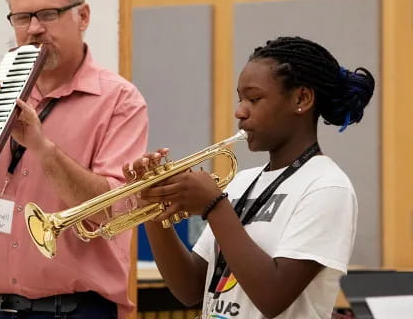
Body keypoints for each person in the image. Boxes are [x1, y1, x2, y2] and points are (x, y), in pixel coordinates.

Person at [0, 0, 148, 318]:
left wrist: (42, 148)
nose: (34, 29)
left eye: (48, 14)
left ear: (83, 16)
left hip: (74, 310)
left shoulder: (120, 100)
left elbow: (110, 212)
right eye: (22, 17)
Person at [123, 36, 375, 319]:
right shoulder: (243, 181)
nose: (240, 111)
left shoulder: (326, 186)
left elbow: (272, 296)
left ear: (301, 99)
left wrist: (214, 206)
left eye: (254, 99)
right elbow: (190, 289)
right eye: (240, 99)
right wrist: (155, 208)